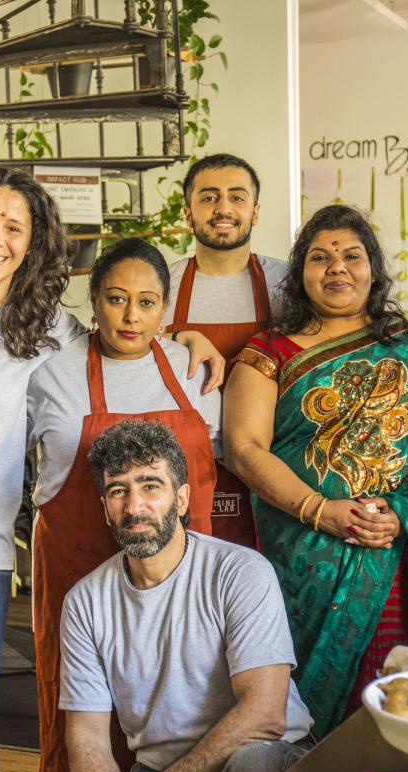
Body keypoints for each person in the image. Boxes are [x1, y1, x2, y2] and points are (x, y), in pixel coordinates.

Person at [0, 165, 226, 772]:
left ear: (33, 242)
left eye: (14, 226)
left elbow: (127, 342)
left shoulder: (46, 329)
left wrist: (182, 337)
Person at [224, 204, 408, 736]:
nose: (337, 268)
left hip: (400, 554)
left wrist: (401, 516)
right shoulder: (268, 353)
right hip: (308, 558)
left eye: (351, 256)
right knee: (317, 712)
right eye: (319, 258)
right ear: (300, 274)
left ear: (373, 268)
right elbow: (244, 449)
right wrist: (320, 511)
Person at [27, 237, 222, 772]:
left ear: (166, 310)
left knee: (183, 707)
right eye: (116, 299)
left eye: (147, 301)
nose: (131, 315)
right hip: (78, 573)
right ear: (93, 301)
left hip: (181, 584)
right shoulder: (49, 371)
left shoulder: (193, 370)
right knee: (84, 710)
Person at [61, 419, 312, 772]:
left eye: (150, 485)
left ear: (180, 499)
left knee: (251, 766)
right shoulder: (84, 602)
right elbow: (88, 740)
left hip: (266, 755)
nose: (134, 506)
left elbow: (265, 715)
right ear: (105, 508)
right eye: (118, 490)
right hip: (159, 770)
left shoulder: (239, 571)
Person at [164, 153, 289, 549]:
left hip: (275, 465)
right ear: (188, 212)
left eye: (237, 197)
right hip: (186, 472)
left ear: (255, 212)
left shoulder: (287, 284)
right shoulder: (161, 285)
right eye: (209, 197)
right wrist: (177, 336)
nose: (223, 208)